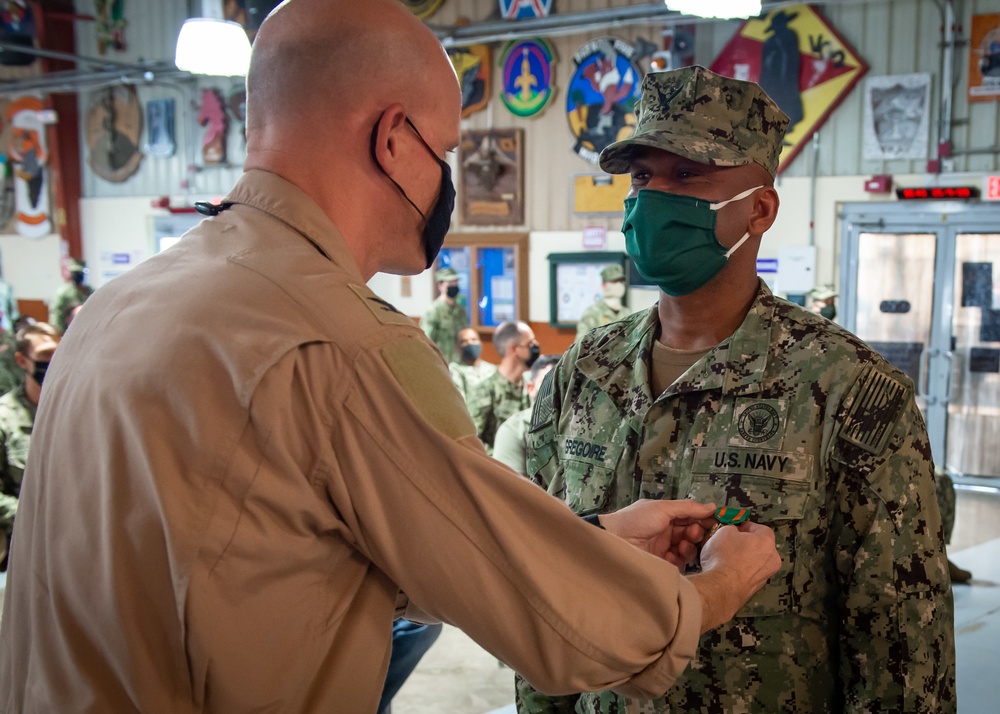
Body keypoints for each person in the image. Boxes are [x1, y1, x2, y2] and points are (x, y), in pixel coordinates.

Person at [0, 6, 781, 712]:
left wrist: (598, 537)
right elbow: (565, 629)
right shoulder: (340, 342)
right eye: (443, 150)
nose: (445, 179)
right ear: (395, 140)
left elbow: (300, 547)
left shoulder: (122, 304)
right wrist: (716, 588)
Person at [517, 66, 956, 713]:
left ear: (760, 208)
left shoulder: (849, 393)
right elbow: (542, 587)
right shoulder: (586, 370)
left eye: (688, 175)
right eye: (643, 176)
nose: (654, 198)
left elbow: (901, 652)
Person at [0, 322, 59, 570]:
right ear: (22, 361)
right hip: (22, 546)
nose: (54, 361)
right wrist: (33, 520)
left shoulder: (74, 410)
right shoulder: (5, 417)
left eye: (59, 352)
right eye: (46, 355)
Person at [469, 320, 535, 454]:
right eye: (530, 344)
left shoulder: (531, 386)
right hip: (499, 468)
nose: (536, 347)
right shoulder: (485, 389)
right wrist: (503, 458)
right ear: (513, 349)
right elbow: (473, 440)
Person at [494, 354, 559, 477]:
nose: (557, 390)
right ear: (531, 388)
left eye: (564, 384)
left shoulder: (587, 425)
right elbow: (510, 488)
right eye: (548, 383)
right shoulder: (515, 430)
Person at [421, 266, 467, 364]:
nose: (454, 286)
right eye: (450, 283)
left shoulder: (460, 311)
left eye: (456, 282)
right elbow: (426, 342)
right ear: (440, 286)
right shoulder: (434, 311)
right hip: (441, 364)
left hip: (459, 364)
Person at [576, 263, 628, 338]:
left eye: (621, 281)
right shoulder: (592, 313)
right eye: (614, 282)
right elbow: (580, 346)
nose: (619, 285)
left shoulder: (627, 313)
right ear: (603, 285)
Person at [449, 326, 497, 402]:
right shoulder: (455, 370)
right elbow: (459, 401)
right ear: (457, 347)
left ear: (480, 343)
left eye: (474, 339)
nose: (470, 343)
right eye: (464, 341)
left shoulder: (493, 370)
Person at [49, 257, 93, 333]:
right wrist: (58, 333)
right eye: (75, 273)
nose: (78, 276)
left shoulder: (90, 291)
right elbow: (56, 316)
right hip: (68, 330)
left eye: (80, 273)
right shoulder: (62, 293)